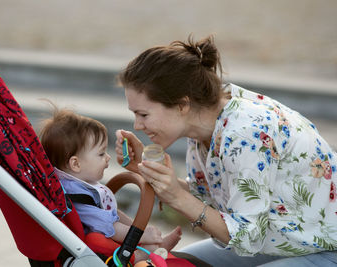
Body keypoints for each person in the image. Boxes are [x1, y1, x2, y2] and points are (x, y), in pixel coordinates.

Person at [115, 35, 337, 266]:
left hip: (325, 248)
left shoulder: (244, 133)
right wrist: (148, 172)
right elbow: (211, 200)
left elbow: (247, 238)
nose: (137, 126)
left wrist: (176, 195)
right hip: (281, 241)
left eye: (143, 114)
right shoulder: (203, 123)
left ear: (182, 105)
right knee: (174, 263)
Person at [39, 106, 182, 263]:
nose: (108, 157)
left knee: (116, 214)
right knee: (100, 236)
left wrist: (140, 230)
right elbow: (108, 226)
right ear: (76, 164)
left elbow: (111, 214)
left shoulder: (78, 183)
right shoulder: (75, 198)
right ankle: (141, 255)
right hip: (97, 249)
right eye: (101, 154)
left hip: (104, 235)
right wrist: (142, 235)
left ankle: (153, 244)